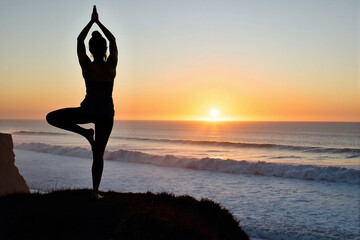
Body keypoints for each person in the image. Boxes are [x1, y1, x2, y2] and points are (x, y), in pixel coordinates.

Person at [46, 5, 117, 199]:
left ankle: (85, 132)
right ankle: (95, 193)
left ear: (91, 50)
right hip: (106, 115)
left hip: (87, 111)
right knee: (98, 154)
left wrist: (91, 21)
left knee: (51, 118)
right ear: (105, 50)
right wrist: (99, 22)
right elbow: (113, 39)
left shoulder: (87, 66)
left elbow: (79, 40)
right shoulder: (112, 66)